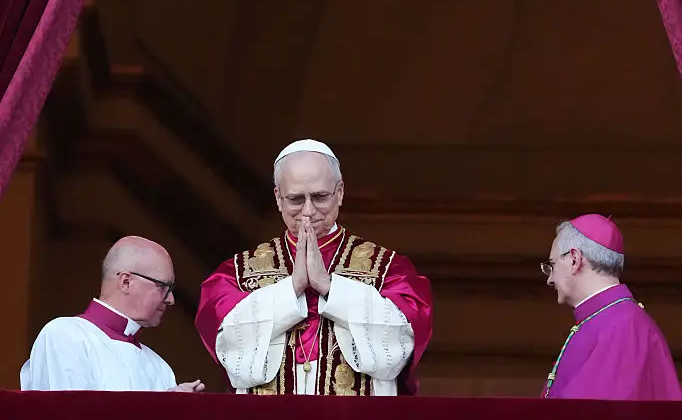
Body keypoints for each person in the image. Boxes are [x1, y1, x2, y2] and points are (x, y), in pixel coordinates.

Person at [196, 138, 432, 395]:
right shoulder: (237, 273)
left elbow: (401, 343)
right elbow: (226, 346)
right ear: (278, 198)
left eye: (320, 197)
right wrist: (292, 289)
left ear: (339, 193)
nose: (308, 211)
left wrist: (331, 289)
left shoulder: (389, 269)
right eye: (296, 199)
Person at [21, 235, 204, 392]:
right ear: (126, 282)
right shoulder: (66, 335)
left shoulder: (160, 367)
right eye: (164, 287)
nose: (171, 299)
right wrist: (163, 407)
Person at [541, 213, 681, 400]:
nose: (550, 279)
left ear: (574, 259)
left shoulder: (624, 326)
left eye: (552, 265)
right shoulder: (605, 319)